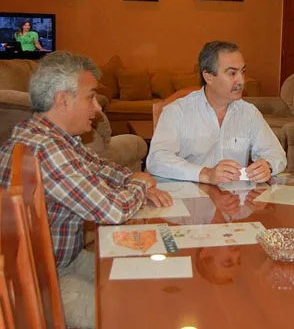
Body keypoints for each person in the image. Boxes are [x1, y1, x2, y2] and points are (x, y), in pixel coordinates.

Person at [0, 51, 172, 328]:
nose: (98, 107)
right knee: (135, 316)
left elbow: (98, 167)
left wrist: (132, 178)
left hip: (59, 260)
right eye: (90, 96)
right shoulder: (46, 148)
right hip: (44, 280)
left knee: (144, 281)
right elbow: (112, 210)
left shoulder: (48, 135)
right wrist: (141, 182)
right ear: (63, 100)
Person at [147, 41, 286, 184]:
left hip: (234, 199)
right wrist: (205, 174)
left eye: (243, 72)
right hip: (190, 199)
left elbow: (276, 153)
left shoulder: (249, 113)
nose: (242, 81)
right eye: (232, 73)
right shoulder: (177, 112)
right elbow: (157, 159)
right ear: (208, 77)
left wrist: (267, 165)